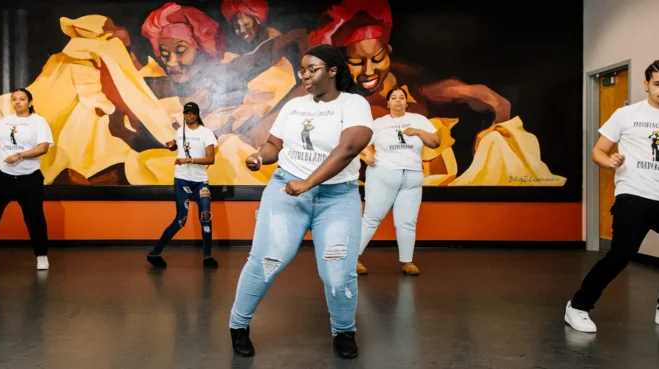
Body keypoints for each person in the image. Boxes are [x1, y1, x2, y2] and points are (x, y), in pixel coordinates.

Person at [228, 44, 373, 358]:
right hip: (286, 191)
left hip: (337, 197)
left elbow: (349, 147)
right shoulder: (294, 106)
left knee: (338, 272)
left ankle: (344, 331)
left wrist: (308, 183)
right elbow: (274, 146)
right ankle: (238, 325)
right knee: (267, 260)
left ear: (333, 70)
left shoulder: (354, 104)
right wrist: (258, 157)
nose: (304, 75)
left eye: (312, 69)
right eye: (302, 70)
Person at [565, 59, 659, 334]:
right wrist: (609, 162)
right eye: (658, 84)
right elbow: (598, 151)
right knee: (620, 255)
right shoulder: (625, 114)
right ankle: (578, 307)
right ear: (646, 85)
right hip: (633, 195)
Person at [357, 87, 440, 276]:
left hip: (412, 176)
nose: (398, 101)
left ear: (406, 102)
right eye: (393, 98)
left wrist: (418, 131)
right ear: (388, 103)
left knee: (407, 221)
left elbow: (435, 142)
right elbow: (357, 141)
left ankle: (407, 262)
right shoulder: (379, 123)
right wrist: (368, 152)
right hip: (383, 175)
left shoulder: (419, 121)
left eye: (401, 98)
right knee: (371, 218)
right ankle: (353, 258)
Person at [0, 88, 54, 270]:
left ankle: (41, 256)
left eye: (22, 99)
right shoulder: (5, 121)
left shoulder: (38, 122)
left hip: (28, 178)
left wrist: (20, 155)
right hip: (0, 176)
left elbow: (43, 148)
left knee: (35, 218)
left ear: (30, 102)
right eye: (14, 99)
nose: (18, 102)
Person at [147, 102, 219, 268]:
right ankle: (154, 253)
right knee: (181, 219)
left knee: (205, 217)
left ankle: (207, 257)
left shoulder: (206, 134)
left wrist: (188, 160)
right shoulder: (180, 131)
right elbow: (178, 146)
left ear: (197, 115)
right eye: (186, 113)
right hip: (182, 179)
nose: (188, 115)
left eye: (191, 113)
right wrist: (172, 146)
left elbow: (211, 159)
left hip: (200, 180)